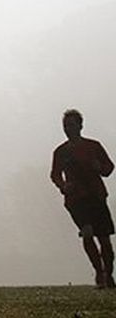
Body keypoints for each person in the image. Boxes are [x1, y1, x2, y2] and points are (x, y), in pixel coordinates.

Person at [51, 109, 115, 288]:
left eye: (71, 125)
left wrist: (99, 167)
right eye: (65, 126)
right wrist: (63, 186)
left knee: (104, 238)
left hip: (96, 195)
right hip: (76, 199)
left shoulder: (93, 146)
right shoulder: (60, 152)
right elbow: (55, 174)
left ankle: (109, 274)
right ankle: (99, 272)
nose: (68, 129)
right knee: (87, 233)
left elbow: (109, 168)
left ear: (80, 126)